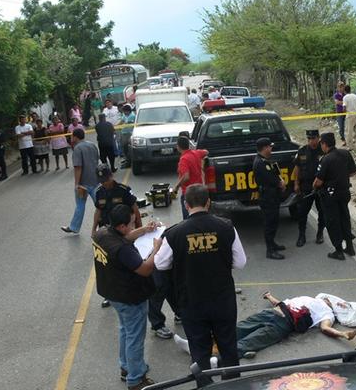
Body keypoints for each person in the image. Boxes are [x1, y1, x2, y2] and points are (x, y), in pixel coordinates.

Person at [159, 184, 246, 386]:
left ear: (186, 204)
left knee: (199, 351)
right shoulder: (226, 227)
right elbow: (240, 262)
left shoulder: (174, 234)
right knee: (228, 347)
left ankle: (205, 386)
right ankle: (233, 385)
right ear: (208, 203)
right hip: (222, 300)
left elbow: (160, 264)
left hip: (192, 302)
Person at [92, 204, 160, 390]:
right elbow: (145, 269)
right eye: (130, 223)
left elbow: (125, 237)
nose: (133, 225)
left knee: (125, 331)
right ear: (121, 226)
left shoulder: (102, 234)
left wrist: (144, 230)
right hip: (130, 297)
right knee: (135, 337)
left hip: (113, 293)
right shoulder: (123, 250)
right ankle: (136, 379)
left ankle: (127, 367)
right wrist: (156, 249)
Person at [233, 291, 356, 360]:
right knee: (240, 328)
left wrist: (342, 334)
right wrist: (270, 296)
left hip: (285, 323)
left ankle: (217, 360)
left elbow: (325, 328)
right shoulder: (308, 297)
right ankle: (217, 343)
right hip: (276, 312)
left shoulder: (328, 314)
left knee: (250, 341)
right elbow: (280, 303)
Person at [92, 163, 142, 308]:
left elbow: (135, 211)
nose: (104, 183)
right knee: (108, 265)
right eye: (101, 181)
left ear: (111, 176)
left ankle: (132, 288)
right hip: (107, 234)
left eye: (106, 179)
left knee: (129, 262)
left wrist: (139, 229)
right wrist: (93, 229)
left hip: (125, 232)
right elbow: (98, 211)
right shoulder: (99, 192)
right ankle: (109, 295)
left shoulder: (123, 190)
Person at [313, 133, 356, 261]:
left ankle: (338, 251)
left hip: (330, 196)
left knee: (333, 222)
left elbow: (319, 181)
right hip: (344, 193)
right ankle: (350, 247)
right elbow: (353, 171)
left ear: (324, 144)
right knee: (345, 218)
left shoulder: (325, 159)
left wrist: (314, 186)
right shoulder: (345, 154)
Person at [61, 128, 100, 234]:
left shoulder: (77, 149)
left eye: (71, 136)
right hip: (96, 181)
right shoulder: (92, 145)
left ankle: (74, 227)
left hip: (83, 184)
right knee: (101, 205)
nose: (71, 138)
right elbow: (97, 160)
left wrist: (77, 184)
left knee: (80, 205)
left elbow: (78, 167)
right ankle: (107, 224)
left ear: (75, 137)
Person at [253, 137, 286, 260]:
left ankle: (273, 243)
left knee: (274, 221)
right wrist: (280, 183)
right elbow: (270, 179)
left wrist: (280, 181)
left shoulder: (266, 160)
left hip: (273, 196)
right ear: (265, 148)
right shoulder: (260, 163)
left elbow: (274, 173)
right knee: (269, 223)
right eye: (269, 146)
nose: (271, 148)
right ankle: (270, 250)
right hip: (267, 197)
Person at [293, 129, 325, 247]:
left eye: (313, 138)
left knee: (322, 212)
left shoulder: (323, 150)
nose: (311, 141)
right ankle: (302, 235)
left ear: (318, 138)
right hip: (306, 187)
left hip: (320, 187)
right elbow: (297, 168)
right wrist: (296, 183)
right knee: (302, 213)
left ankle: (320, 233)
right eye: (309, 139)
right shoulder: (302, 151)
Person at [174, 136, 208, 220]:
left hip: (189, 193)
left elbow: (186, 177)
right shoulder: (196, 153)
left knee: (189, 218)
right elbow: (206, 152)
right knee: (201, 216)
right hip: (200, 191)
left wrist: (176, 186)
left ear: (178, 147)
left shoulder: (183, 159)